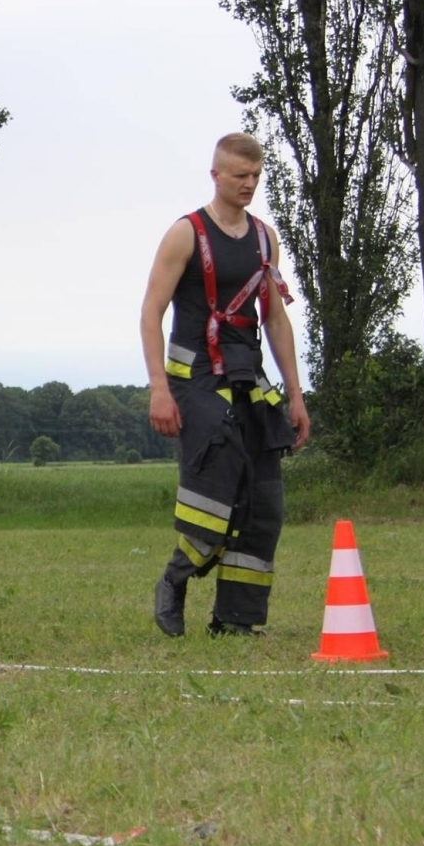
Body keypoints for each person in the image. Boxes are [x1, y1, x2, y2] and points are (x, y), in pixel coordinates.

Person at [141, 132, 310, 637]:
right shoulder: (185, 234)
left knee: (263, 499)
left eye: (256, 175)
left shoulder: (265, 238)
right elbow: (151, 312)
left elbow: (275, 319)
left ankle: (236, 620)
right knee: (220, 479)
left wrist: (295, 394)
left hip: (247, 375)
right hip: (194, 379)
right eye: (240, 175)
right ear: (216, 175)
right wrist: (158, 388)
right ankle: (175, 578)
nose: (249, 184)